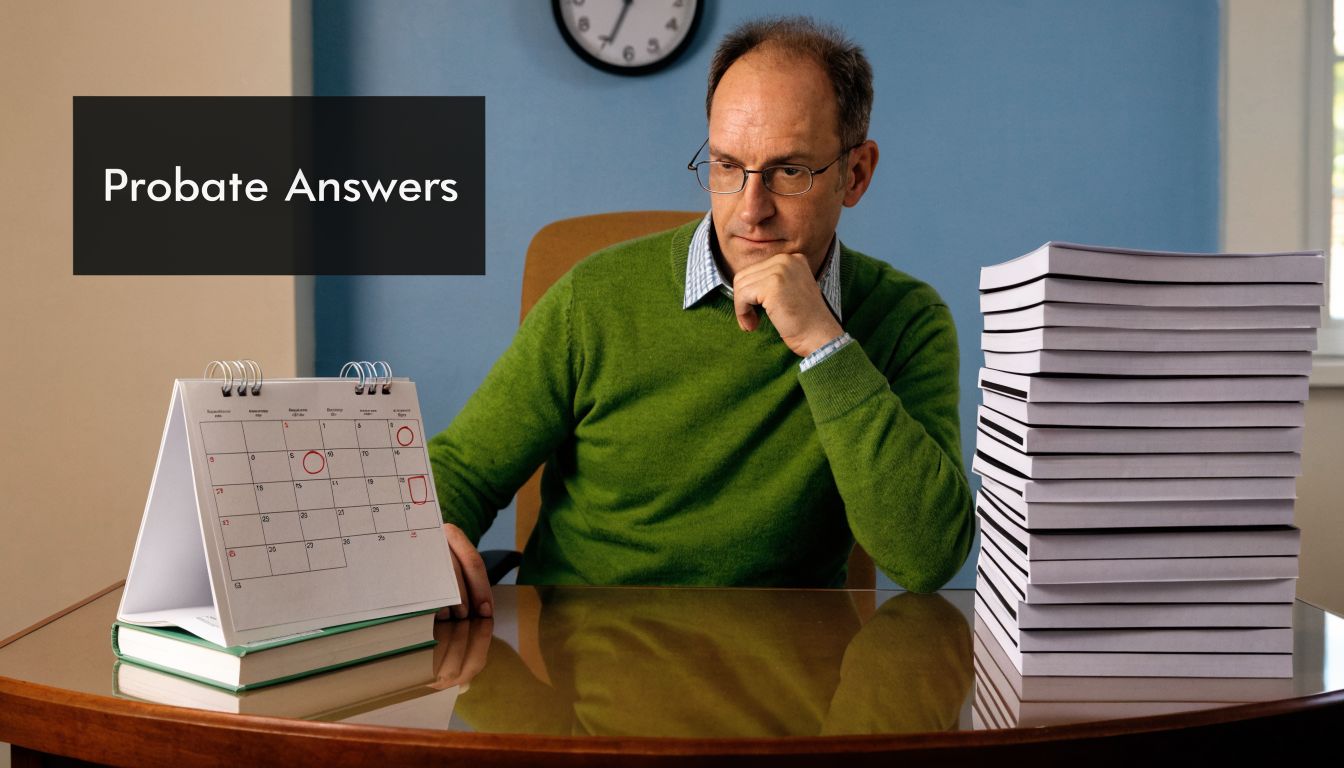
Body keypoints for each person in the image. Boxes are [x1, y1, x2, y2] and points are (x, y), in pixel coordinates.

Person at [429, 16, 973, 619]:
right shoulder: (593, 298)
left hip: (788, 677)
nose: (751, 209)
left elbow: (926, 559)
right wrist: (428, 541)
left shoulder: (906, 319)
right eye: (726, 166)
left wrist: (824, 343)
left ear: (856, 173)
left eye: (789, 171)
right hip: (586, 675)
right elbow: (462, 470)